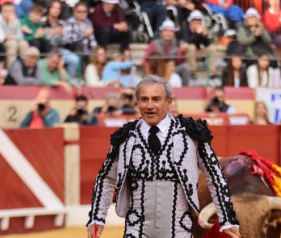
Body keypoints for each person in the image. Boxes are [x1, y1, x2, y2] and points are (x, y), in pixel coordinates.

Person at [86, 75, 240, 238]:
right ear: (137, 102)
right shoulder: (125, 138)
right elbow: (106, 178)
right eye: (144, 99)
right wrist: (97, 216)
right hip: (136, 230)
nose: (150, 105)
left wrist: (227, 218)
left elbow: (215, 176)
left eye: (156, 99)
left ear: (169, 101)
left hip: (178, 230)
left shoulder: (192, 135)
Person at [143, 19, 191, 85]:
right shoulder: (154, 44)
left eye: (170, 31)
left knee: (182, 66)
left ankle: (185, 90)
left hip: (172, 69)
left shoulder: (177, 44)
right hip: (156, 69)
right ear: (161, 32)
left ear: (174, 33)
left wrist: (182, 52)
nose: (168, 33)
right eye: (166, 31)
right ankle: (149, 83)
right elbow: (146, 59)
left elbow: (181, 60)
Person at [42, 0, 80, 79]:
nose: (56, 10)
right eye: (54, 8)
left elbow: (65, 42)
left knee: (75, 60)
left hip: (60, 50)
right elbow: (40, 37)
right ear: (49, 8)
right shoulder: (42, 21)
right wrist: (52, 33)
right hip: (47, 50)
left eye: (58, 9)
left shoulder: (62, 23)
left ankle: (68, 80)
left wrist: (63, 35)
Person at [182, 10, 217, 78]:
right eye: (195, 22)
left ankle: (212, 72)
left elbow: (207, 44)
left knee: (212, 48)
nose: (197, 24)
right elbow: (187, 42)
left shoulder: (200, 30)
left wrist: (203, 35)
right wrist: (197, 33)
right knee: (191, 47)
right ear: (190, 22)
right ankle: (192, 71)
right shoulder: (185, 28)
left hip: (197, 53)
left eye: (199, 22)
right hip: (186, 54)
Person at [0, 2, 29, 69]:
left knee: (24, 44)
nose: (8, 13)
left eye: (10, 11)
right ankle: (11, 70)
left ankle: (25, 68)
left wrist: (12, 36)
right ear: (1, 11)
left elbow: (20, 36)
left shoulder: (15, 20)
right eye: (6, 11)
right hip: (1, 42)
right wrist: (10, 25)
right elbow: (0, 36)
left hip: (13, 40)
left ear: (14, 12)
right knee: (12, 44)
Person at [64, 2, 96, 69]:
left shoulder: (88, 22)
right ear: (75, 11)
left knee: (98, 52)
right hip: (74, 48)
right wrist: (83, 34)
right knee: (80, 47)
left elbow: (93, 41)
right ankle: (80, 76)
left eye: (84, 12)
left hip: (87, 49)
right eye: (79, 11)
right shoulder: (70, 22)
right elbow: (69, 40)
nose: (82, 14)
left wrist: (96, 49)